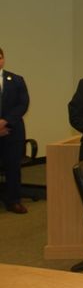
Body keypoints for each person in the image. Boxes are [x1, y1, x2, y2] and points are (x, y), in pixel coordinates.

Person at [0, 48, 29, 214]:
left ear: (3, 59)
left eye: (0, 57)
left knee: (13, 167)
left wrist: (5, 122)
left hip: (13, 132)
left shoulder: (16, 80)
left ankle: (14, 201)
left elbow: (22, 104)